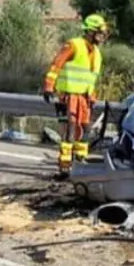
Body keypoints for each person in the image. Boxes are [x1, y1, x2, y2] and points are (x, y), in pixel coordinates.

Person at [42, 14, 109, 176]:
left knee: (85, 130)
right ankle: (65, 165)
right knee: (70, 131)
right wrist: (49, 86)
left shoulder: (97, 54)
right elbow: (56, 64)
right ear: (90, 32)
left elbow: (91, 78)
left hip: (85, 98)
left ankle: (80, 162)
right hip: (69, 96)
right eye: (100, 32)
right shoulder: (74, 45)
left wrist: (92, 96)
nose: (102, 36)